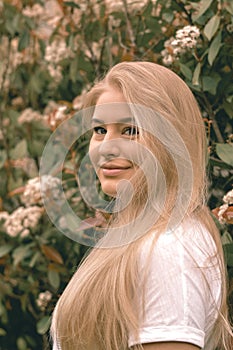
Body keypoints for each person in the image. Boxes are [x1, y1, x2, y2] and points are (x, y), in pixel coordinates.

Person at [50, 62, 232, 350]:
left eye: (131, 130)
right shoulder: (141, 238)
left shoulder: (171, 247)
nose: (107, 147)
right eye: (99, 130)